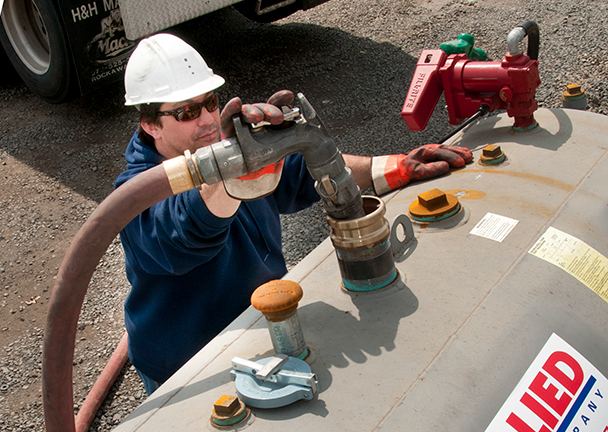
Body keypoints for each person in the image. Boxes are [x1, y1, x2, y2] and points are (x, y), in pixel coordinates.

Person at [116, 33, 472, 395]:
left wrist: (392, 167)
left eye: (210, 102)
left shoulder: (221, 147)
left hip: (266, 323)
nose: (207, 118)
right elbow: (186, 235)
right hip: (191, 365)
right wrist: (231, 176)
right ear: (150, 124)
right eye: (187, 112)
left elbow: (300, 174)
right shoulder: (135, 196)